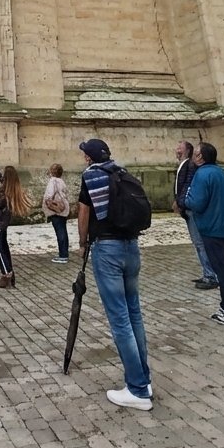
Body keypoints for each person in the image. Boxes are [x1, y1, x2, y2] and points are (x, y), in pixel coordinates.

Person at [76, 138, 153, 410]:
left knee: (120, 320)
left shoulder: (91, 177)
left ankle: (138, 390)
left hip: (107, 250)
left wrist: (83, 244)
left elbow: (83, 216)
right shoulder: (122, 172)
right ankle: (143, 377)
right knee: (134, 314)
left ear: (89, 158)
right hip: (132, 247)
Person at [182, 142, 224, 328]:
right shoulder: (223, 174)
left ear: (201, 157)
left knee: (222, 273)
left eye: (195, 153)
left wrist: (186, 200)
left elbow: (198, 203)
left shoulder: (201, 175)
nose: (193, 157)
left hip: (211, 230)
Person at [172, 140, 217, 290]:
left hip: (191, 209)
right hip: (187, 208)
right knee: (198, 243)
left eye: (180, 147)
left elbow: (187, 186)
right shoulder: (184, 165)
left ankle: (210, 275)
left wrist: (180, 202)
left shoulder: (189, 165)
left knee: (200, 243)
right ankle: (207, 273)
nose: (176, 149)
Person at [0, 163, 30, 288]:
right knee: (3, 247)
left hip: (0, 223)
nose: (3, 177)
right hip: (1, 223)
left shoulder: (7, 191)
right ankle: (8, 272)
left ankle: (7, 273)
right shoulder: (8, 186)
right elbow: (0, 177)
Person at [42, 163, 70, 263]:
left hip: (56, 210)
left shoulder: (52, 181)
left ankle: (63, 255)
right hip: (63, 209)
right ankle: (64, 252)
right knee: (63, 231)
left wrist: (47, 202)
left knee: (60, 232)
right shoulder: (61, 181)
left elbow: (49, 194)